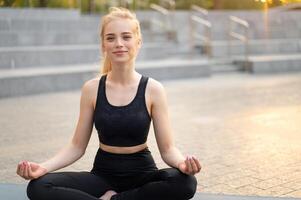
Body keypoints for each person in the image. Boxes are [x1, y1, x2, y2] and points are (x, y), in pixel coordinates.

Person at [16, 7, 201, 200]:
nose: (119, 44)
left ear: (138, 42)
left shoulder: (153, 89)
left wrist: (182, 164)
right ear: (103, 45)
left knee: (186, 182)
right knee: (38, 186)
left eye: (126, 37)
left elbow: (168, 149)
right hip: (102, 175)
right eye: (111, 38)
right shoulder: (91, 89)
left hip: (143, 174)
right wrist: (43, 168)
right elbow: (76, 147)